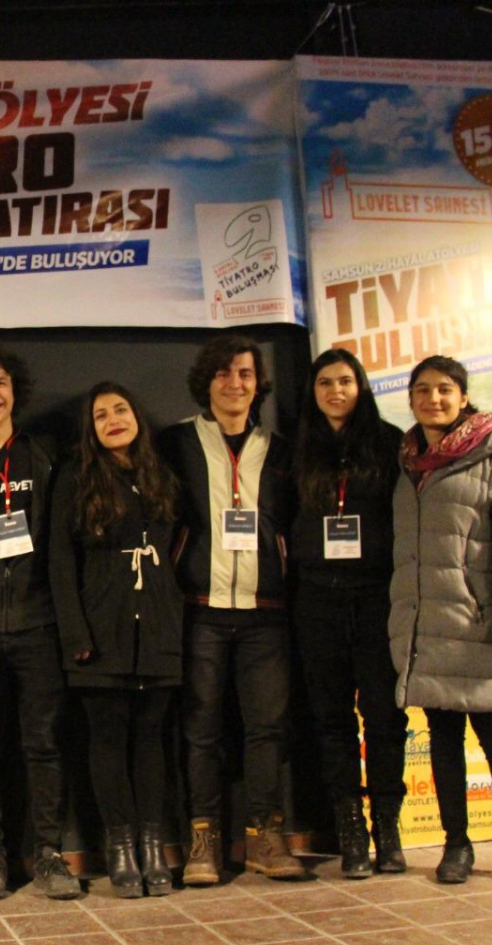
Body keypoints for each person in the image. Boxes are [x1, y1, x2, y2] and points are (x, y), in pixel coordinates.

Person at [389, 355, 492, 887]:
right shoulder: (408, 459)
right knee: (443, 736)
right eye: (423, 390)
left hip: (477, 621)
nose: (433, 399)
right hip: (427, 624)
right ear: (411, 398)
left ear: (462, 396)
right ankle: (457, 845)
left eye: (444, 389)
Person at [159, 334, 306, 884]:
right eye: (223, 373)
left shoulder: (281, 450)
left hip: (266, 611)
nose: (234, 383)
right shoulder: (175, 443)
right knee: (201, 730)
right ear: (207, 381)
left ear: (258, 383)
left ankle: (266, 834)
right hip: (200, 609)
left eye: (244, 373)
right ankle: (204, 839)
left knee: (267, 729)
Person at [0, 344, 80, 901]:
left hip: (37, 623)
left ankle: (48, 852)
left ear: (14, 390)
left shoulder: (43, 454)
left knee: (43, 744)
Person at [51, 382, 185, 898]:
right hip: (100, 632)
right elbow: (60, 562)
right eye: (101, 415)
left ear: (137, 416)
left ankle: (153, 846)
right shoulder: (75, 477)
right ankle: (121, 847)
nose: (113, 420)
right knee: (107, 740)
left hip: (157, 628)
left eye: (121, 410)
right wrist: (76, 634)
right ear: (90, 429)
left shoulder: (160, 474)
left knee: (151, 739)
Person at [290, 349, 408, 877]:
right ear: (312, 391)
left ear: (360, 386)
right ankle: (351, 831)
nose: (335, 391)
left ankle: (389, 828)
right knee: (331, 720)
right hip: (317, 600)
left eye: (344, 381)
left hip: (377, 596)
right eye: (324, 383)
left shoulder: (390, 443)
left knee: (384, 717)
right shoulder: (298, 446)